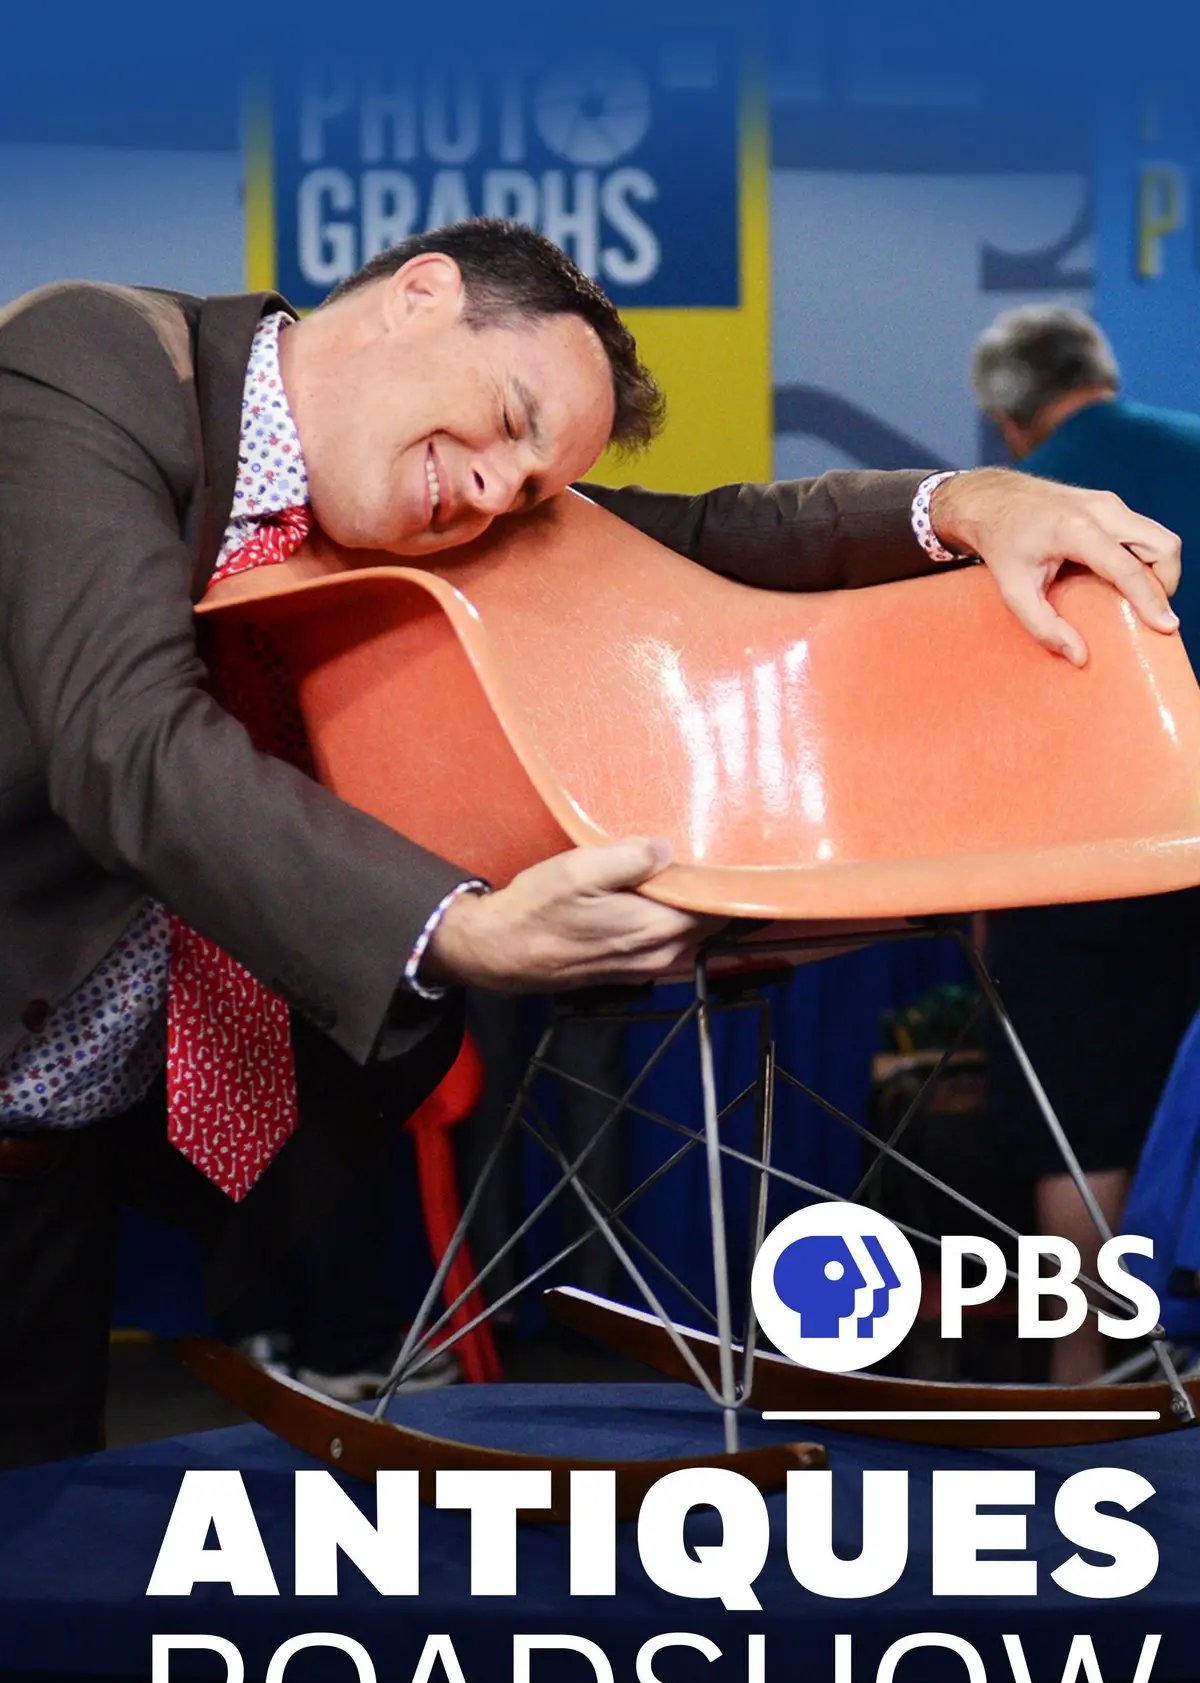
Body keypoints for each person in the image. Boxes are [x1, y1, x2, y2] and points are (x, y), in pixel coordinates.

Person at [0, 224, 1184, 1469]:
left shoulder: (411, 494)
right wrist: (457, 928)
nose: (495, 496)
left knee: (36, 1524)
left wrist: (974, 501)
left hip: (59, 1155)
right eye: (511, 419)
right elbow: (126, 740)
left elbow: (707, 532)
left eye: (531, 489)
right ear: (420, 294)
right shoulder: (96, 361)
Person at [972, 304, 1200, 1382]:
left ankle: (1082, 1370)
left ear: (1006, 420)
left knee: (1076, 1107)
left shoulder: (1018, 507)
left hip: (1082, 849)